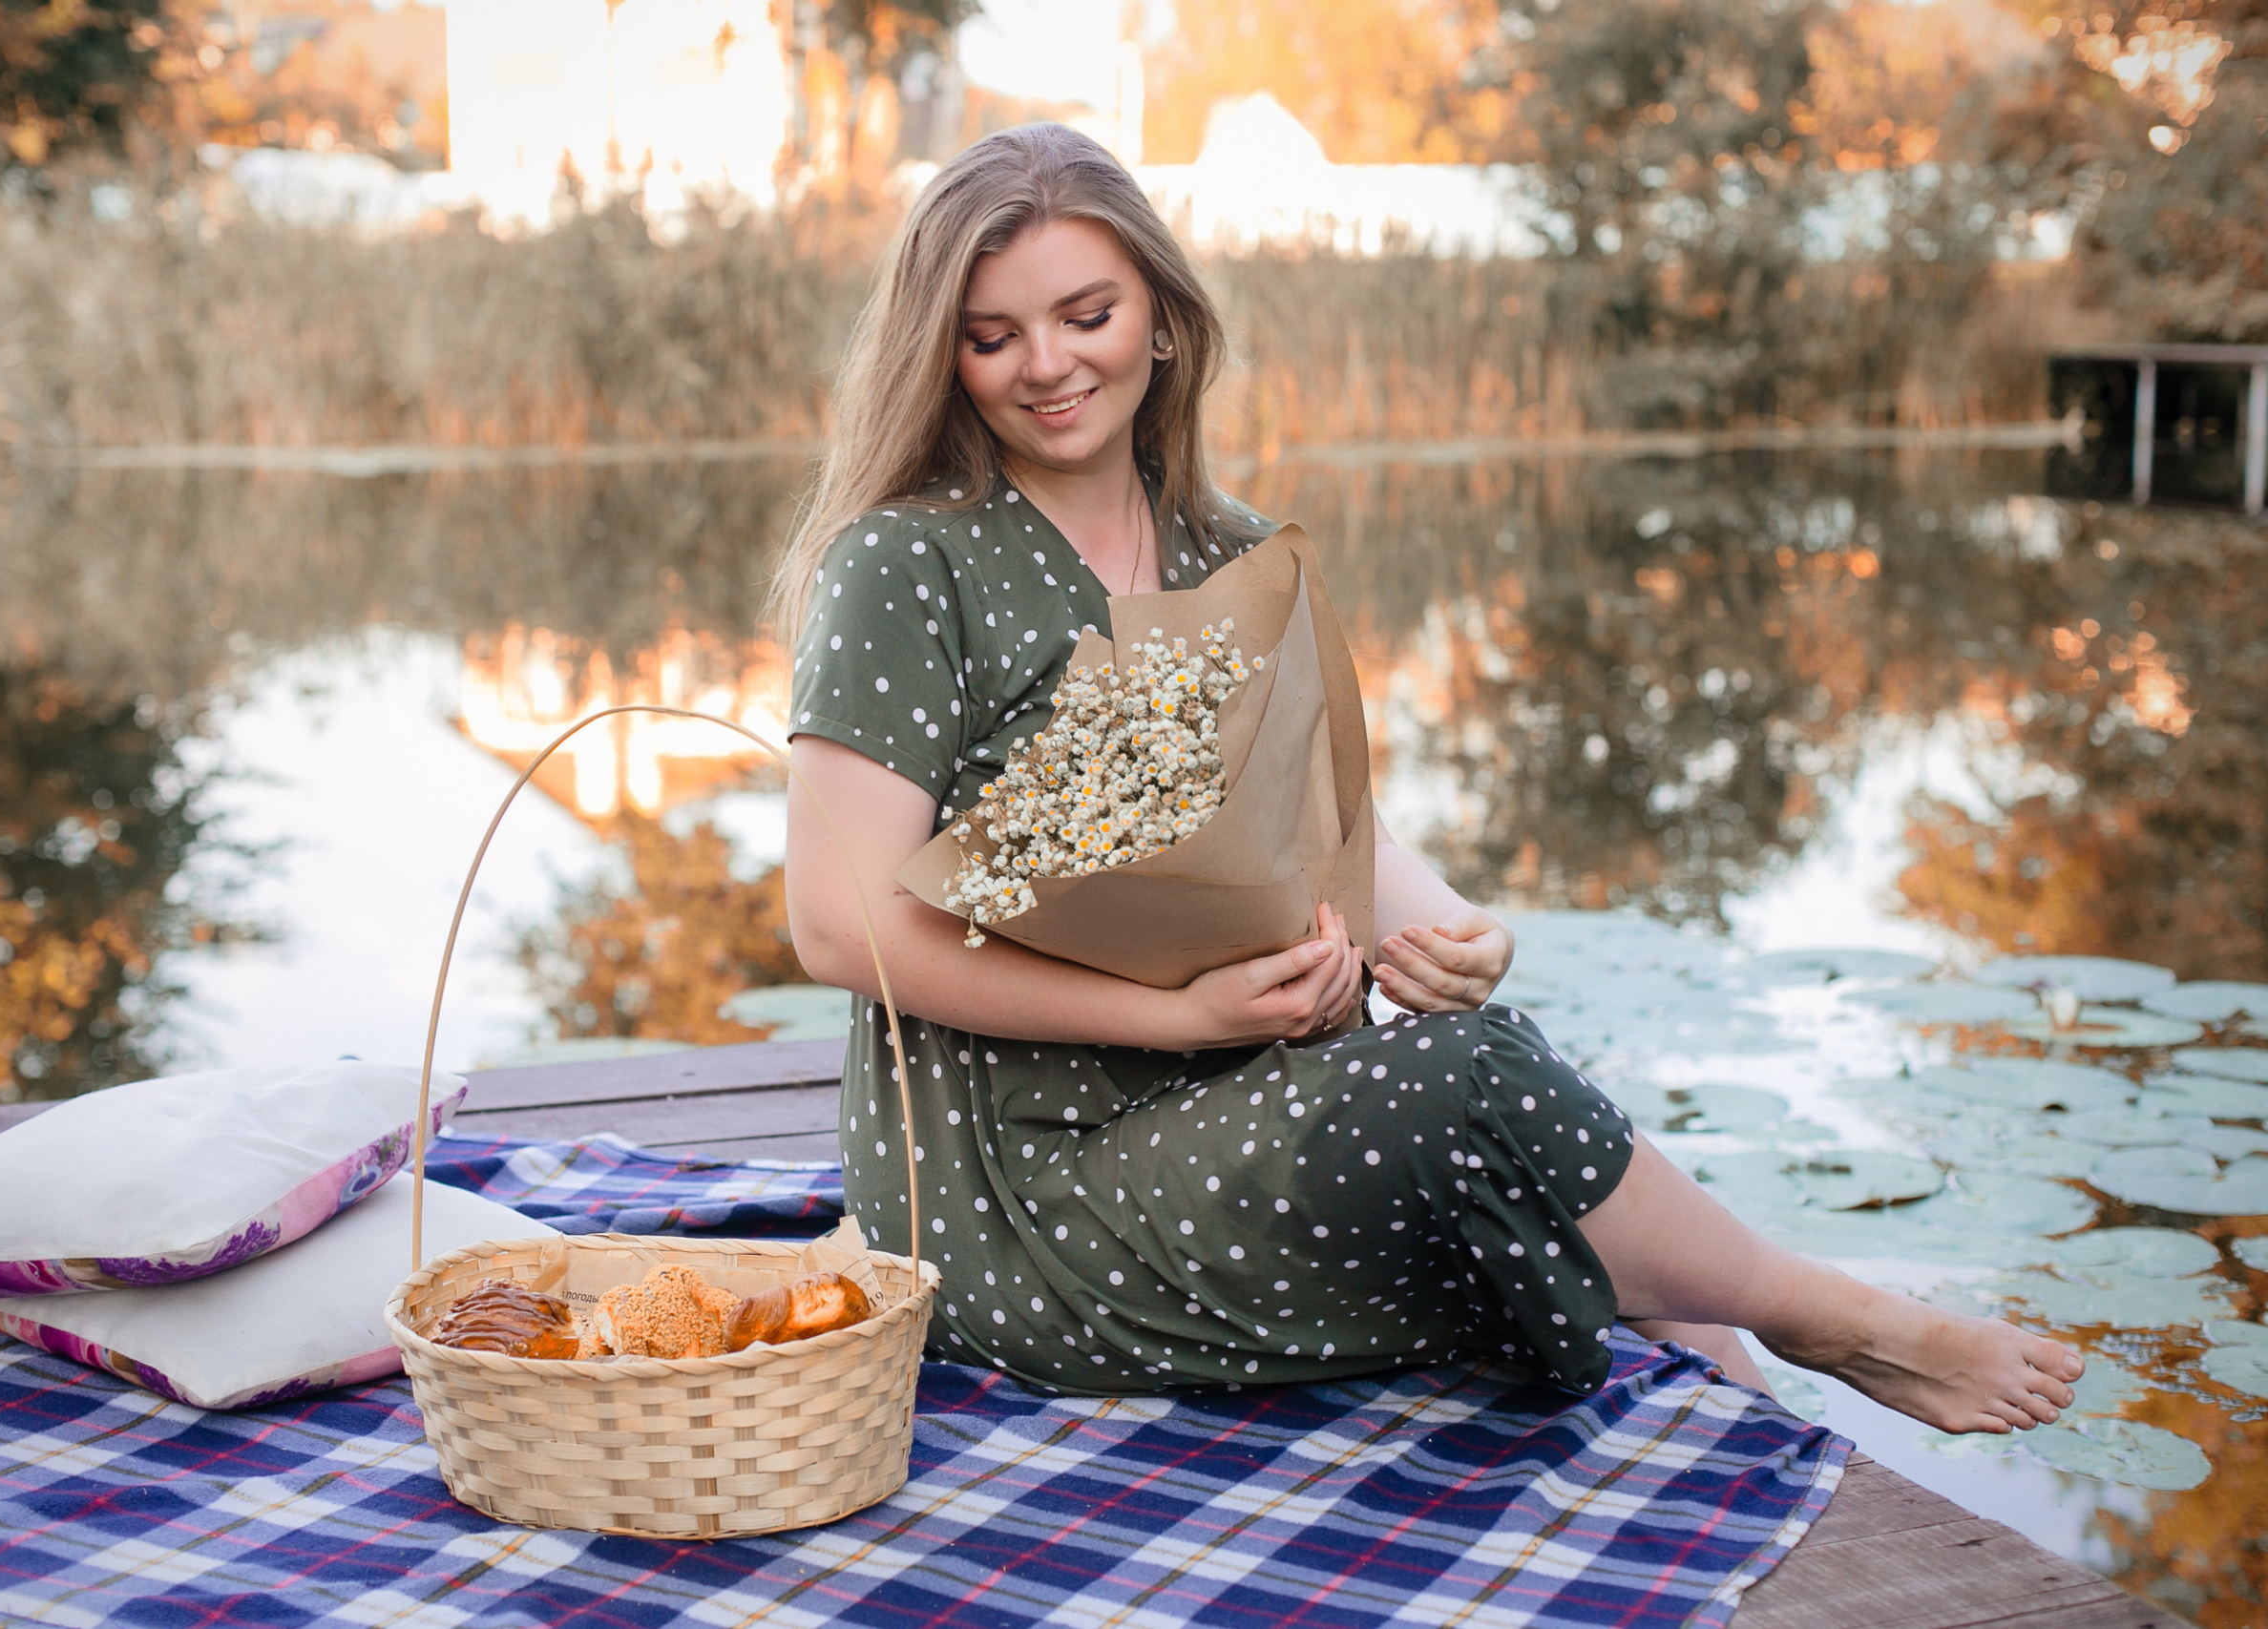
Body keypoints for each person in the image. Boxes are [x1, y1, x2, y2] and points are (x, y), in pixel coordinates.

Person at [774, 122, 2081, 1432]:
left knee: (1481, 1069)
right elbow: (841, 928)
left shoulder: (1224, 550)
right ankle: (1826, 1320)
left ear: (1163, 322)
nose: (1046, 364)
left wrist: (1450, 928)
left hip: (1233, 1115)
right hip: (1011, 1195)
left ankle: (1730, 1372)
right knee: (1473, 1103)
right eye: (992, 334)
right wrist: (1185, 1022)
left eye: (1086, 313)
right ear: (943, 352)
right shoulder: (908, 565)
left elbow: (1319, 823)